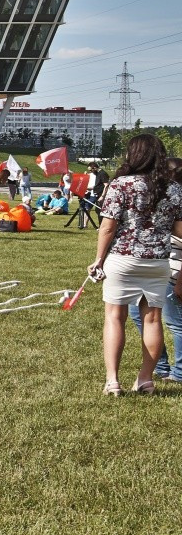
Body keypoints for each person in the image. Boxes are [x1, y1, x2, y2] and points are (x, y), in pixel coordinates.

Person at [89, 135, 182, 396]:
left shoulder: (121, 184)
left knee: (114, 317)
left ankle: (112, 381)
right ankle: (145, 379)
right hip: (158, 262)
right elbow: (179, 230)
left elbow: (108, 227)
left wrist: (98, 259)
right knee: (152, 320)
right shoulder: (174, 188)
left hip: (123, 258)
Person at [128, 157, 182, 381]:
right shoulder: (166, 202)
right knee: (137, 315)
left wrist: (180, 281)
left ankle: (179, 372)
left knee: (175, 323)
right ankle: (161, 366)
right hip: (155, 270)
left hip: (173, 275)